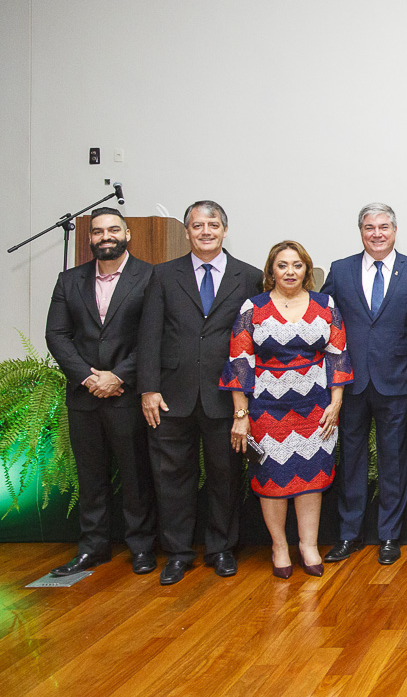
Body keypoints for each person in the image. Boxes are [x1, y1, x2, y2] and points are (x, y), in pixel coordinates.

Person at [138, 200, 262, 585]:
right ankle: (178, 552)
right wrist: (148, 388)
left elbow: (257, 339)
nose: (205, 232)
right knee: (172, 479)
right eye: (197, 225)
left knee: (225, 477)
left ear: (224, 230)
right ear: (187, 232)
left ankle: (221, 548)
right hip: (171, 395)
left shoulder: (249, 276)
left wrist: (249, 399)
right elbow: (149, 334)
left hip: (225, 396)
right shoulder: (162, 275)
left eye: (212, 225)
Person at [220, 241, 351, 579]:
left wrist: (336, 403)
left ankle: (308, 545)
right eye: (282, 265)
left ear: (307, 269)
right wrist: (241, 415)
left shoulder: (325, 304)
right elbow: (239, 361)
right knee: (271, 480)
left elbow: (338, 355)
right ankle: (279, 546)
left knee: (312, 477)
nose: (290, 272)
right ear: (271, 271)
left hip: (316, 410)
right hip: (267, 411)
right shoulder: (254, 307)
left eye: (297, 265)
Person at [45, 208, 157, 577]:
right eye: (97, 231)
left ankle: (142, 547)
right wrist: (87, 378)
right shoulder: (69, 280)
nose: (105, 236)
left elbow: (153, 337)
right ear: (89, 238)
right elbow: (56, 335)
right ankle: (93, 548)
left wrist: (119, 376)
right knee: (90, 477)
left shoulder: (150, 277)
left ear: (127, 233)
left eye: (113, 229)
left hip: (128, 394)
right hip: (84, 396)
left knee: (136, 476)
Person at [321, 203, 407, 566]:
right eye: (369, 227)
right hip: (350, 383)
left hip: (396, 381)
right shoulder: (340, 270)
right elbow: (325, 322)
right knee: (351, 459)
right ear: (361, 232)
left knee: (393, 460)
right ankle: (349, 534)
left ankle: (389, 535)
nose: (376, 234)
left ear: (394, 231)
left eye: (383, 227)